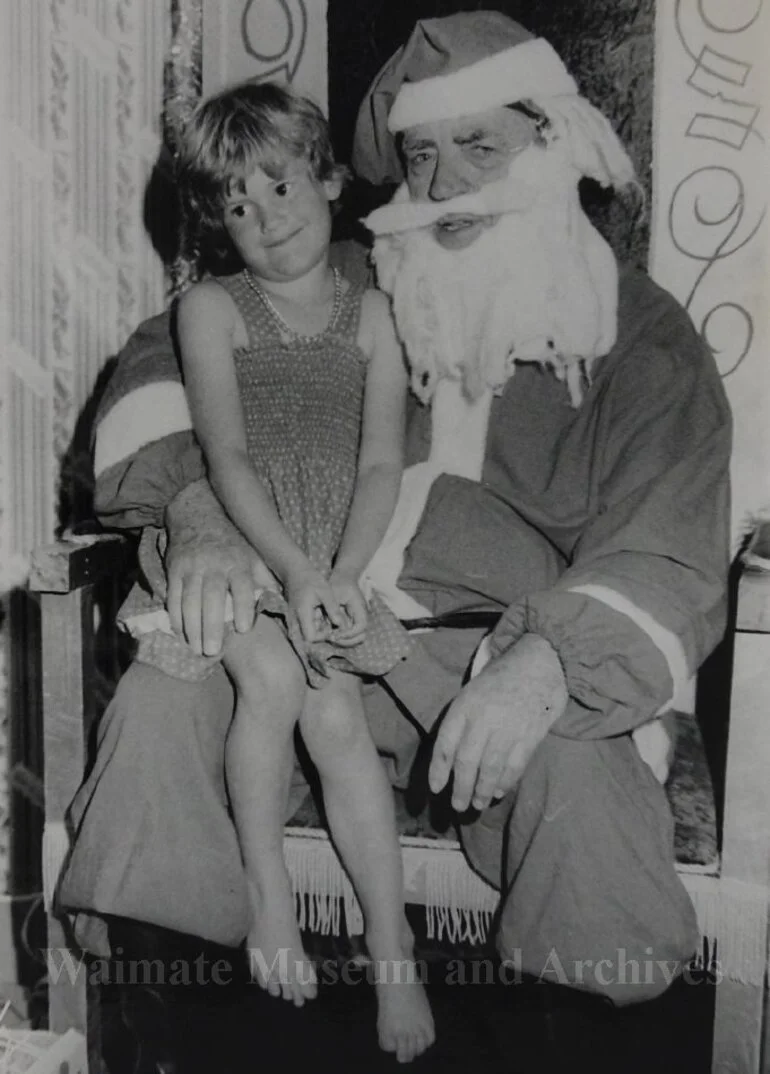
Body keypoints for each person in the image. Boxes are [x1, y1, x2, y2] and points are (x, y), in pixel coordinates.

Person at [59, 9, 731, 1020]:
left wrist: (545, 666)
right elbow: (160, 364)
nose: (445, 183)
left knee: (579, 797)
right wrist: (194, 508)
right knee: (162, 708)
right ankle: (171, 1025)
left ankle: (568, 1033)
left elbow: (669, 541)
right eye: (421, 155)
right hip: (316, 630)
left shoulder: (639, 335)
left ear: (551, 141)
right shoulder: (350, 281)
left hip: (492, 656)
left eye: (478, 145)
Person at [135, 80, 431, 1059]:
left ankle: (393, 951)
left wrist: (340, 573)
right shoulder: (213, 308)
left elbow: (381, 461)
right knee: (266, 675)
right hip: (244, 535)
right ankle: (266, 901)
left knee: (337, 712)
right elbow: (224, 459)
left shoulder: (376, 314)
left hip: (335, 546)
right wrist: (295, 571)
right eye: (235, 205)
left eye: (277, 185)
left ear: (329, 178)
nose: (262, 217)